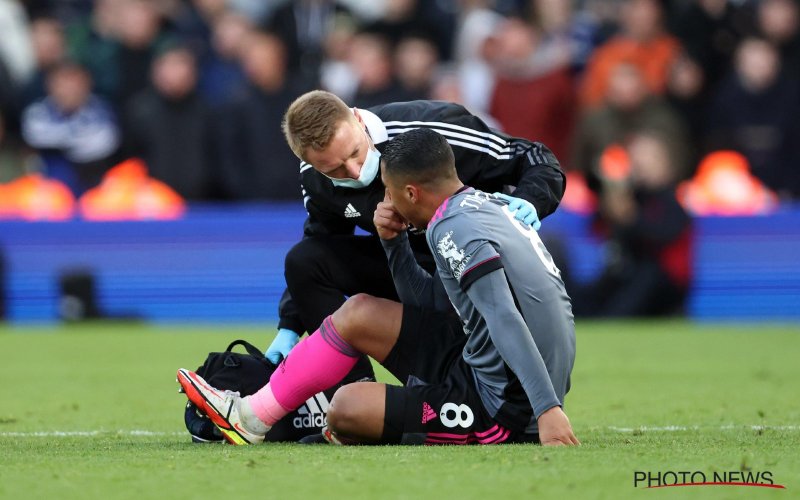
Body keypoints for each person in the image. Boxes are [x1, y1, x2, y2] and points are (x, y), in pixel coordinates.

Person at [178, 128, 578, 446]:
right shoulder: (481, 206)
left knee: (346, 407)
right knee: (361, 311)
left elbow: (504, 317)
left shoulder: (451, 229)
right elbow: (437, 302)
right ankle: (251, 416)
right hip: (485, 362)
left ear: (410, 193)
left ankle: (292, 412)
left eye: (387, 190)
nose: (383, 200)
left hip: (506, 405)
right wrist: (393, 243)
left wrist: (546, 409)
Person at [266, 90, 566, 370]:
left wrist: (529, 202)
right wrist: (290, 325)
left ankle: (455, 383)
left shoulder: (432, 130)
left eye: (355, 152)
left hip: (477, 265)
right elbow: (322, 238)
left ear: (357, 118)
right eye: (335, 170)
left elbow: (533, 156)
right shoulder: (315, 177)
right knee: (305, 261)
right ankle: (349, 396)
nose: (354, 171)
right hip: (409, 272)